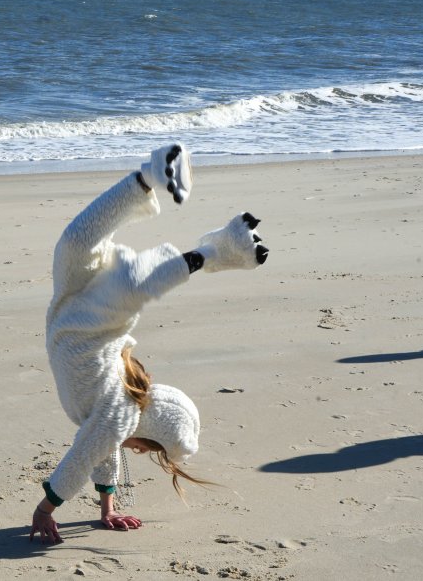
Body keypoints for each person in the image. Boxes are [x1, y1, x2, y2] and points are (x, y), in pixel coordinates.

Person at [29, 142, 269, 544]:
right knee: (121, 276)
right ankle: (203, 239)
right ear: (149, 432)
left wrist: (108, 508)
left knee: (75, 242)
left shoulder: (111, 421)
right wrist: (45, 508)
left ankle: (149, 181)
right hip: (92, 324)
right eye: (144, 448)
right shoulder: (122, 414)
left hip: (65, 314)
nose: (135, 450)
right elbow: (82, 458)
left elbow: (101, 452)